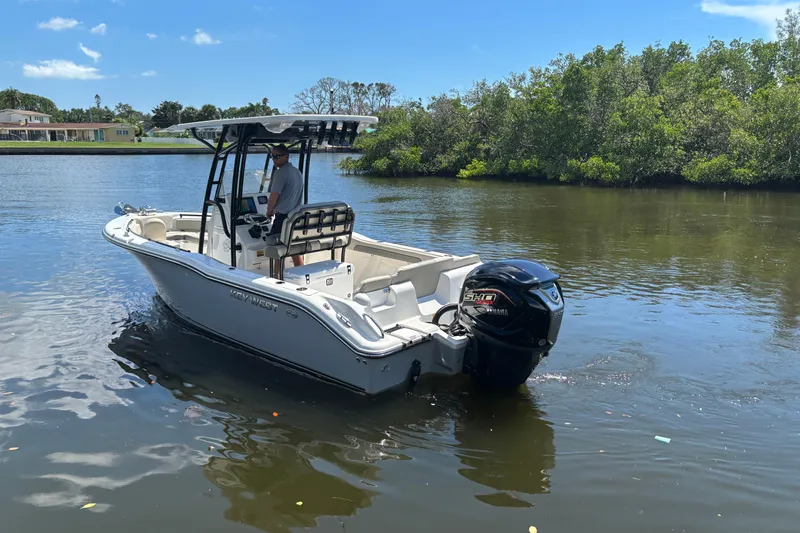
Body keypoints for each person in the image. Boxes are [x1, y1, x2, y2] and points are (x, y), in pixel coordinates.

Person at [266, 144, 305, 269]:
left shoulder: (280, 173)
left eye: (277, 156)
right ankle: (301, 271)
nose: (274, 159)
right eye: (272, 156)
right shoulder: (297, 172)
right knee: (294, 248)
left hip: (283, 218)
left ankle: (276, 276)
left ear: (286, 157)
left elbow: (274, 195)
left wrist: (269, 211)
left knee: (276, 249)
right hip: (296, 217)